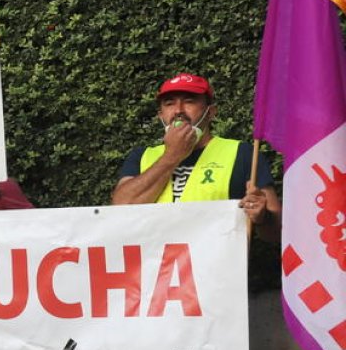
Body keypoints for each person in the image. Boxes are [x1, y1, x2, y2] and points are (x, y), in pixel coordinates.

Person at [112, 72, 281, 242]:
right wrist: (172, 155)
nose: (178, 110)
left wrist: (262, 217)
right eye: (169, 103)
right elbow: (119, 212)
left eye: (189, 101)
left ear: (211, 112)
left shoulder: (242, 153)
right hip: (155, 267)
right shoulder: (142, 156)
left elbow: (276, 234)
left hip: (217, 267)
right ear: (161, 115)